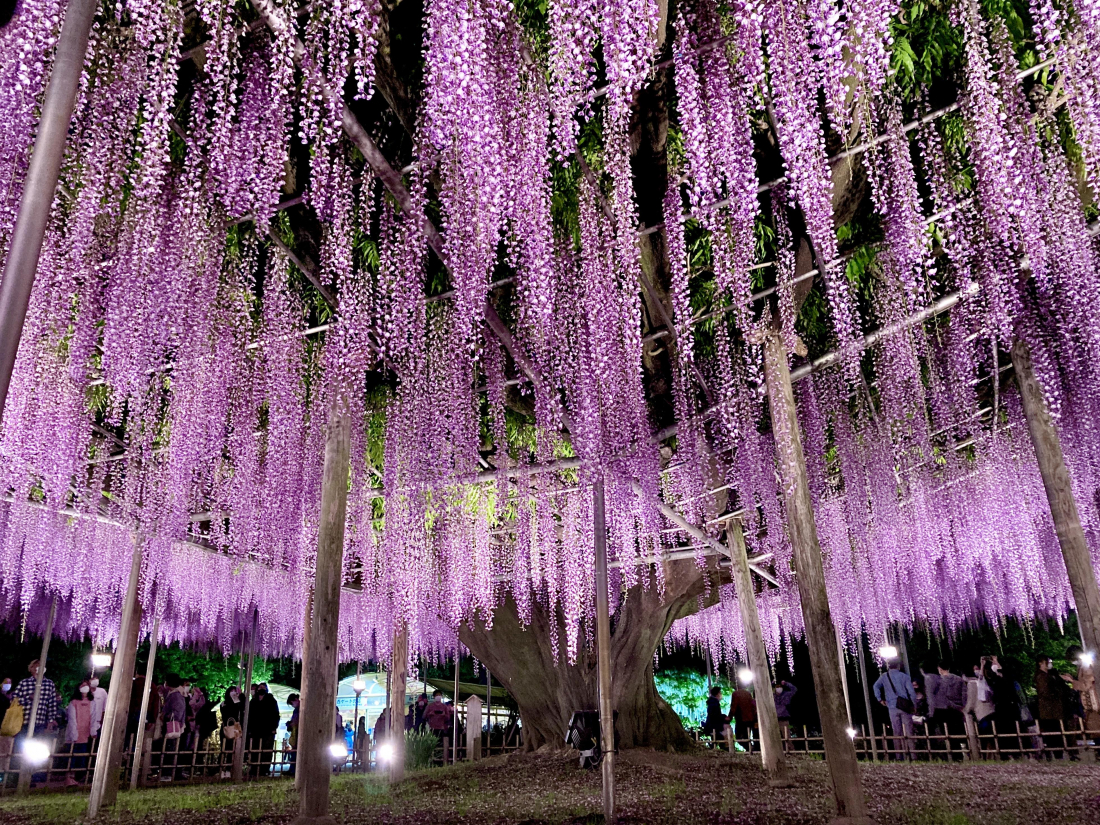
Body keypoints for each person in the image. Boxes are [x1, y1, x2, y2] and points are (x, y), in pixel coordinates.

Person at [873, 661, 917, 760]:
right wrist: (914, 705)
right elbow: (911, 692)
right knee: (909, 731)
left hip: (892, 706)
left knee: (897, 732)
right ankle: (914, 756)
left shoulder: (884, 676)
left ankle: (899, 756)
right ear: (898, 666)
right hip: (904, 707)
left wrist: (880, 699)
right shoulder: (904, 676)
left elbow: (875, 686)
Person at [1036, 654, 1073, 759]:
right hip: (1050, 711)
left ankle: (1059, 753)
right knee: (1053, 733)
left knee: (1057, 732)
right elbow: (1045, 693)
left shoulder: (1050, 675)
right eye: (1048, 661)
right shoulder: (1041, 676)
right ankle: (1056, 754)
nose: (1050, 664)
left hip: (1054, 710)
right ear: (1041, 663)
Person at [11, 659, 60, 737]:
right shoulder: (24, 683)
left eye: (42, 665)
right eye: (36, 665)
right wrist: (28, 698)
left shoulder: (49, 684)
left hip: (40, 723)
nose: (39, 667)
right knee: (21, 747)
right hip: (23, 722)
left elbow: (52, 704)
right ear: (31, 669)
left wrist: (51, 720)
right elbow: (14, 700)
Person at [1065, 645, 1100, 740]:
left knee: (1095, 730)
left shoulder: (1086, 666)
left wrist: (1072, 681)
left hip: (1092, 703)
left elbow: (1086, 685)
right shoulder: (1083, 666)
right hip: (1091, 703)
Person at [63, 682, 93, 786]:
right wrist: (74, 733)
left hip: (85, 734)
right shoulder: (74, 702)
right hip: (74, 734)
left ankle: (78, 777)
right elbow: (72, 719)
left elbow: (93, 718)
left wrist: (93, 730)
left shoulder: (91, 702)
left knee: (82, 757)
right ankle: (69, 777)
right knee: (72, 757)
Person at [160, 674, 188, 780]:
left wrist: (166, 716)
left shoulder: (175, 695)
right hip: (173, 725)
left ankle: (169, 773)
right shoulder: (174, 693)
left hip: (172, 725)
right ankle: (169, 772)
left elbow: (178, 711)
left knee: (170, 749)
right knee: (170, 749)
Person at [251, 683, 281, 777]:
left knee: (266, 751)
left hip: (268, 730)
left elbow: (276, 715)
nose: (261, 689)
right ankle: (254, 769)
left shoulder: (271, 700)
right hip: (255, 730)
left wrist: (273, 727)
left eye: (263, 688)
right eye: (260, 687)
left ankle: (264, 770)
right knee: (255, 750)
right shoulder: (253, 701)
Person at [728, 684, 757, 752]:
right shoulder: (748, 693)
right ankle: (750, 750)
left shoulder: (736, 694)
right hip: (750, 719)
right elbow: (752, 706)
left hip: (741, 719)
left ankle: (750, 748)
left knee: (739, 737)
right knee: (747, 736)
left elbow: (734, 707)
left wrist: (729, 717)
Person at [773, 680, 797, 752]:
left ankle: (791, 751)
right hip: (774, 719)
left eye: (780, 687)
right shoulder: (772, 696)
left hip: (783, 718)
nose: (779, 688)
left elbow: (794, 689)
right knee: (775, 737)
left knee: (787, 737)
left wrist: (786, 683)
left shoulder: (786, 695)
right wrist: (770, 683)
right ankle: (778, 752)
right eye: (777, 687)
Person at [88, 675, 107, 743]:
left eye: (96, 678)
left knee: (95, 744)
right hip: (85, 723)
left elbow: (105, 708)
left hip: (98, 723)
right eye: (93, 679)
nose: (95, 680)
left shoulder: (102, 692)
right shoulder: (84, 691)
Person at [286, 694, 300, 777]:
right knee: (294, 753)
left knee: (295, 753)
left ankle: (293, 770)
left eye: (292, 703)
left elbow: (295, 722)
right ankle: (292, 769)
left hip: (297, 734)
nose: (292, 705)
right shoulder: (299, 709)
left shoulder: (298, 710)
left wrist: (290, 724)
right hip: (296, 733)